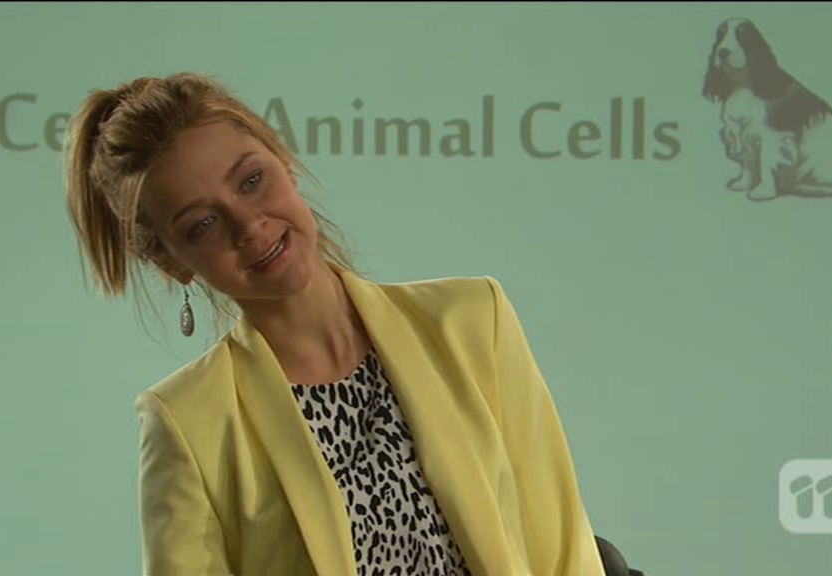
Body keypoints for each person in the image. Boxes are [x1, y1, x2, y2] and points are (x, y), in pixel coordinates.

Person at [64, 72, 607, 576]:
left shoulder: (473, 319)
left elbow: (563, 549)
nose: (248, 224)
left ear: (285, 161)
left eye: (251, 180)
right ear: (172, 263)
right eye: (202, 223)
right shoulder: (186, 421)